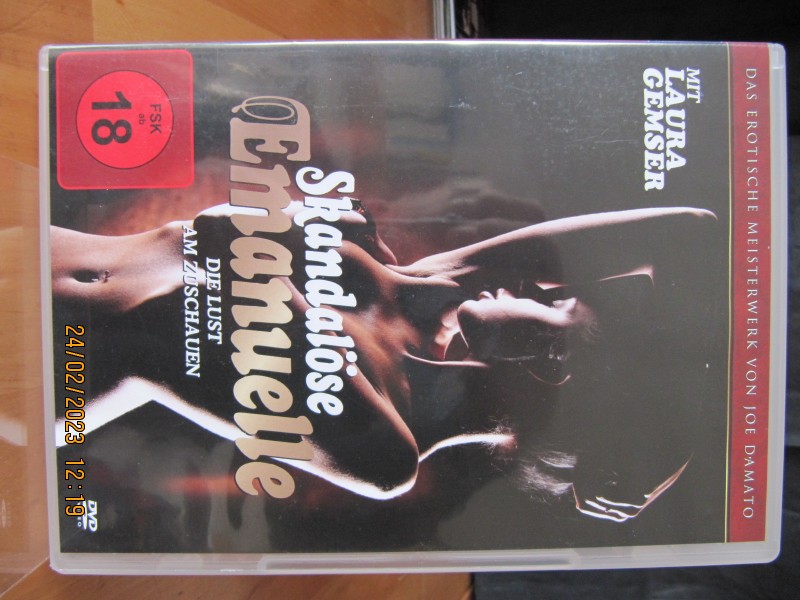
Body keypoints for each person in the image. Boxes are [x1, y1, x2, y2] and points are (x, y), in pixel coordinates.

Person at [51, 199, 717, 521]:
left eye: (562, 309)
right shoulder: (426, 289)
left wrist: (634, 462)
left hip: (40, 372)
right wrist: (650, 473)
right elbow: (695, 231)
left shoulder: (386, 452)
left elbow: (216, 289)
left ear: (554, 361)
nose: (550, 288)